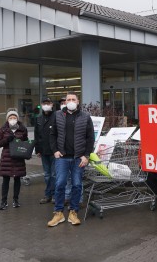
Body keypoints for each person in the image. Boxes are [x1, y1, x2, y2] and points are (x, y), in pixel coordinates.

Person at [48, 92, 94, 226]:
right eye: (69, 99)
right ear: (65, 101)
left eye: (73, 99)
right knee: (60, 184)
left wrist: (86, 156)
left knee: (77, 185)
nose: (71, 101)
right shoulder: (57, 115)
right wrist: (55, 150)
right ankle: (58, 213)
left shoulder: (85, 117)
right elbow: (52, 135)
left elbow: (90, 138)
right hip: (62, 158)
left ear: (78, 101)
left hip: (78, 158)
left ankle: (73, 212)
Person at [0, 108, 29, 210]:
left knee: (17, 179)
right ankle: (3, 201)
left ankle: (16, 200)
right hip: (7, 159)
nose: (12, 119)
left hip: (18, 159)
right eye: (10, 117)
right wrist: (6, 140)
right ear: (7, 119)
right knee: (6, 180)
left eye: (14, 117)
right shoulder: (3, 129)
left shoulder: (23, 129)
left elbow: (25, 142)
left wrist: (26, 151)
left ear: (17, 119)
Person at [35, 97, 56, 204]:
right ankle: (48, 195)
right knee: (47, 175)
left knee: (53, 174)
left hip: (54, 151)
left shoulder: (56, 116)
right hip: (43, 151)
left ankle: (54, 195)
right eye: (44, 103)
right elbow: (37, 135)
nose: (46, 105)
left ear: (52, 104)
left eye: (48, 103)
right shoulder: (39, 118)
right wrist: (37, 149)